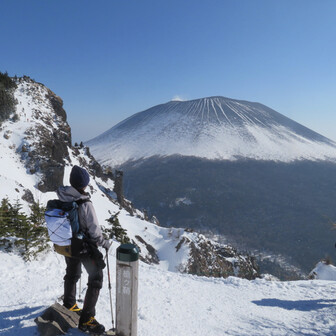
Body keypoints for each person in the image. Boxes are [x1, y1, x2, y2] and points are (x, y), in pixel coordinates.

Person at [57, 165, 111, 334]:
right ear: (84, 184)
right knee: (96, 278)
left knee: (72, 272)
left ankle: (69, 303)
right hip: (83, 246)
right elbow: (94, 231)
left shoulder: (62, 196)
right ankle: (87, 320)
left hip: (67, 243)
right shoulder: (85, 203)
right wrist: (104, 243)